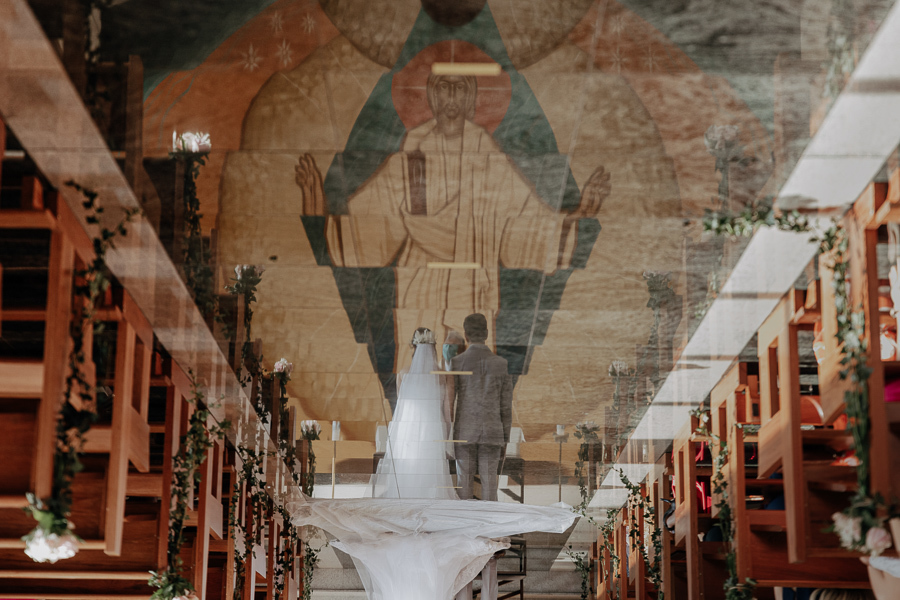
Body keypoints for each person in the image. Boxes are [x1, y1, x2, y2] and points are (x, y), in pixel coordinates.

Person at [295, 71, 610, 407]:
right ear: (431, 96)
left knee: (471, 388)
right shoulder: (410, 159)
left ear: (471, 98)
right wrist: (316, 208)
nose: (451, 96)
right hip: (421, 284)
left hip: (473, 284)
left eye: (460, 88)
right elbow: (371, 227)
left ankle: (467, 443)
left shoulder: (492, 164)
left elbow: (526, 225)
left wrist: (582, 213)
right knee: (419, 377)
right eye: (443, 87)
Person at [369, 327, 457, 499]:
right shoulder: (445, 376)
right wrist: (444, 441)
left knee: (409, 475)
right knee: (431, 477)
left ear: (414, 348)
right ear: (434, 348)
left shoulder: (403, 374)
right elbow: (448, 413)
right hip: (433, 434)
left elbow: (400, 412)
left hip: (407, 435)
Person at [451, 313, 512, 501]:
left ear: (466, 334)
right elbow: (505, 405)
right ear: (486, 333)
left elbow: (450, 400)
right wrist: (505, 436)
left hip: (465, 429)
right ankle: (490, 526)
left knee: (464, 482)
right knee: (489, 483)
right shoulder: (501, 364)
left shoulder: (457, 362)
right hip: (493, 430)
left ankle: (465, 524)